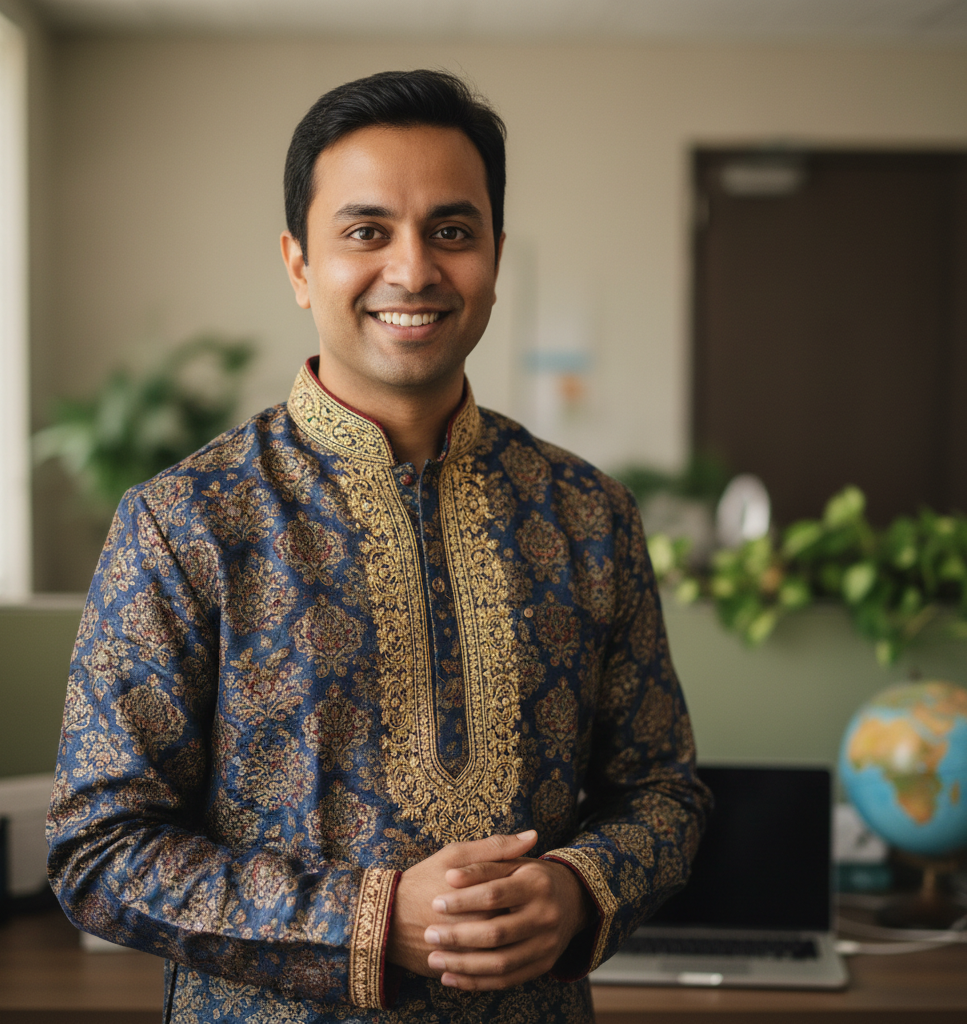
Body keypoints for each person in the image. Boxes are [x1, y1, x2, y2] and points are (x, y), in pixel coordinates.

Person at [47, 69, 711, 1024]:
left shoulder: (587, 514)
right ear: (298, 264)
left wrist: (577, 887)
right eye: (366, 232)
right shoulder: (187, 521)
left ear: (494, 254)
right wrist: (368, 920)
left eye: (452, 231)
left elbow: (664, 795)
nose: (414, 270)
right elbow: (98, 849)